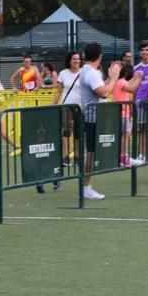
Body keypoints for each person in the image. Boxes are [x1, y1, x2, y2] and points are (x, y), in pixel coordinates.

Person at [78, 42, 122, 199]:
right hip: (93, 117)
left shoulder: (88, 72)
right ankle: (85, 187)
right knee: (91, 154)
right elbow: (104, 93)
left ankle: (86, 186)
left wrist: (110, 79)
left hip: (95, 116)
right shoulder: (90, 73)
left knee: (93, 153)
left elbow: (101, 89)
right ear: (100, 56)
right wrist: (114, 78)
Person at [52, 51, 84, 192]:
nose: (76, 61)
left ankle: (77, 155)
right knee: (66, 131)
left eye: (78, 59)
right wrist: (54, 104)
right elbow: (59, 91)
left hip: (80, 106)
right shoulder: (63, 73)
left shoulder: (84, 72)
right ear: (69, 60)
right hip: (66, 105)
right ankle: (65, 156)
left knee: (78, 132)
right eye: (74, 59)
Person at [111, 59, 143, 167]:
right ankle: (123, 158)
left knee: (124, 135)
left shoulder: (117, 82)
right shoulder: (121, 82)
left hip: (119, 113)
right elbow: (131, 88)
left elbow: (127, 84)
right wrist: (138, 78)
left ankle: (123, 157)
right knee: (125, 136)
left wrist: (134, 78)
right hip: (123, 113)